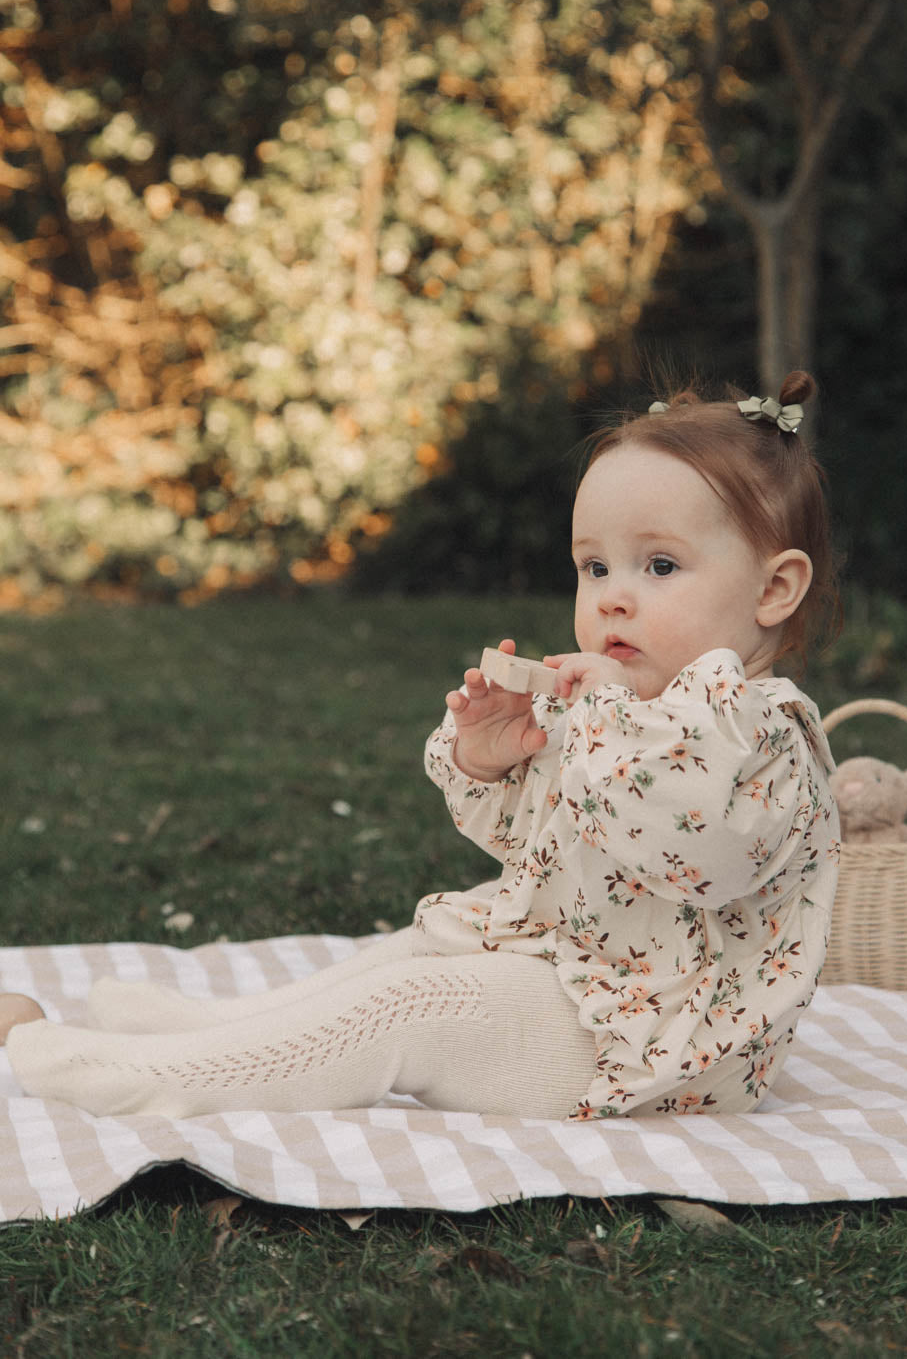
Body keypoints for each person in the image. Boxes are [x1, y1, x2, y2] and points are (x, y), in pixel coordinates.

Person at [2, 370, 840, 1122]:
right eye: (594, 567)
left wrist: (602, 720)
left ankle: (156, 1077)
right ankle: (221, 1030)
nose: (614, 597)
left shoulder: (762, 731)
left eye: (658, 567)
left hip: (659, 1047)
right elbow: (544, 845)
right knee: (418, 947)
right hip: (582, 975)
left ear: (774, 588)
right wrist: (490, 762)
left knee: (415, 1006)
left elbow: (689, 850)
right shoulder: (626, 702)